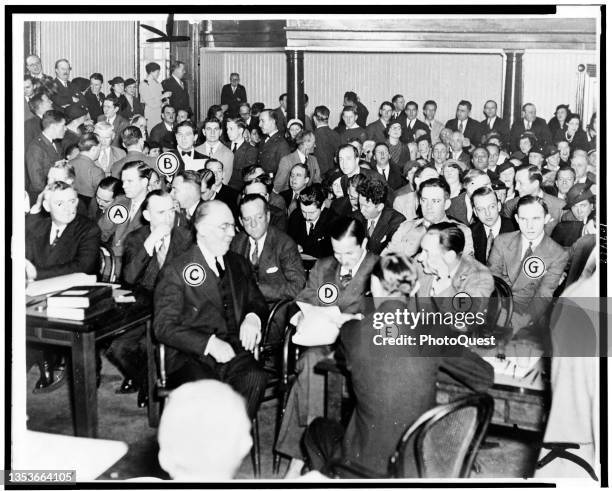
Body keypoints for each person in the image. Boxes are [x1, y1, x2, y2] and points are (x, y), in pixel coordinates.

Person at [276, 216, 378, 477]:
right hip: (323, 343)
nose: (342, 259)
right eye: (336, 252)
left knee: (309, 367)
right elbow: (305, 300)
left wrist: (351, 320)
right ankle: (313, 452)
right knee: (313, 364)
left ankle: (300, 459)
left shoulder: (378, 268)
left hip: (361, 351)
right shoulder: (323, 266)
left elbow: (385, 313)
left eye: (349, 253)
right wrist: (309, 315)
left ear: (364, 243)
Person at [153, 200, 269, 418]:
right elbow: (163, 326)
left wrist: (253, 317)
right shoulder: (177, 270)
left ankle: (227, 445)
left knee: (255, 378)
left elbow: (257, 300)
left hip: (233, 351)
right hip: (190, 356)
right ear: (202, 229)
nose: (232, 233)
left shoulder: (238, 263)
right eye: (223, 227)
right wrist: (208, 344)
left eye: (232, 226)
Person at [108, 190, 193, 404]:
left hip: (177, 305)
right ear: (147, 216)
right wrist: (152, 241)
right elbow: (128, 277)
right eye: (161, 212)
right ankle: (147, 380)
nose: (168, 218)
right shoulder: (136, 239)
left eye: (171, 211)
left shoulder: (186, 238)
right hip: (142, 306)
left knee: (152, 345)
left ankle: (153, 385)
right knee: (117, 349)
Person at [231, 193, 306, 341]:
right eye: (247, 219)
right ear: (240, 221)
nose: (253, 224)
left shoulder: (284, 244)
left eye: (258, 217)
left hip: (274, 311)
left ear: (268, 216)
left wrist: (256, 290)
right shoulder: (236, 242)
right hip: (242, 310)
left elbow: (297, 286)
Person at [488, 195, 569, 332]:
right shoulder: (502, 241)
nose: (529, 226)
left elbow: (543, 295)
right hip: (498, 307)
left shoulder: (558, 254)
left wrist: (520, 321)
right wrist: (500, 313)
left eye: (536, 219)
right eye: (524, 219)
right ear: (517, 219)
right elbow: (493, 281)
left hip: (528, 316)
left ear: (546, 218)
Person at [157, 380, 253, 480]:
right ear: (247, 444)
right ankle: (229, 450)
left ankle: (234, 441)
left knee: (255, 377)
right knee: (201, 395)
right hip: (196, 370)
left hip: (237, 366)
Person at [385, 177, 474, 257]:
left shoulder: (461, 231)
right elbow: (384, 259)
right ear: (420, 201)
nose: (428, 206)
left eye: (435, 201)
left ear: (447, 204)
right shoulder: (406, 227)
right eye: (424, 200)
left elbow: (467, 269)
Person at [98, 161, 150, 274]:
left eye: (129, 181)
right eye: (123, 181)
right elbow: (101, 232)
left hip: (137, 269)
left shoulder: (154, 205)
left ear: (144, 182)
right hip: (111, 265)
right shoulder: (121, 201)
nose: (124, 186)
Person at [416, 222, 494, 298]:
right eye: (422, 250)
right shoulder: (419, 265)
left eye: (427, 252)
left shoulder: (479, 279)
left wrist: (444, 285)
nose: (420, 258)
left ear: (449, 257)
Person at [502, 164, 565, 235]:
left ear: (535, 184)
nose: (516, 187)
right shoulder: (510, 206)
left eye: (520, 183)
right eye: (516, 183)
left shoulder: (560, 206)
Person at [354, 176, 405, 255]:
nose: (361, 210)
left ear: (380, 207)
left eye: (366, 206)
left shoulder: (397, 222)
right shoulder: (354, 218)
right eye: (360, 204)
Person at [25, 109, 66, 205]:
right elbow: (37, 184)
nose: (66, 128)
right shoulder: (36, 148)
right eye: (63, 125)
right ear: (53, 127)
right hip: (44, 198)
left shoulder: (56, 143)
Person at [287, 184, 337, 258]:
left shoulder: (333, 221)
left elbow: (330, 252)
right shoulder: (296, 215)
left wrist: (303, 249)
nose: (307, 217)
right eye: (303, 211)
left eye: (312, 212)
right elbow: (289, 240)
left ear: (322, 206)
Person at [470, 186, 516, 264]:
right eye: (480, 209)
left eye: (491, 207)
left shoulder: (515, 229)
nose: (487, 213)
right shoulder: (470, 233)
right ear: (475, 212)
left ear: (499, 206)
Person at [194, 117, 234, 184]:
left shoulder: (228, 154)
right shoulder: (196, 151)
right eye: (209, 129)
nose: (212, 132)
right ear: (204, 132)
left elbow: (225, 180)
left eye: (216, 129)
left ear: (220, 132)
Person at [69, 133, 105, 206]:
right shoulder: (96, 171)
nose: (101, 150)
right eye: (100, 147)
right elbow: (102, 198)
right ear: (93, 149)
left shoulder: (67, 164)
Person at [227, 118, 258, 191]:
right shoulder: (224, 146)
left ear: (240, 130)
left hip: (239, 190)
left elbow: (247, 176)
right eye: (227, 129)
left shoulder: (251, 150)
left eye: (231, 129)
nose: (228, 132)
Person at [258, 109, 292, 175]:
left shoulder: (281, 144)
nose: (259, 124)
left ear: (273, 121)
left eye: (262, 121)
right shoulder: (263, 140)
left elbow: (284, 172)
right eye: (259, 121)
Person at [140, 62, 170, 132]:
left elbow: (162, 97)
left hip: (160, 113)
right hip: (151, 115)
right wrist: (163, 96)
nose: (159, 74)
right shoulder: (144, 84)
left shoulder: (157, 83)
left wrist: (165, 100)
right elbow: (150, 102)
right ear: (151, 72)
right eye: (157, 72)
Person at [312, 105, 341, 176]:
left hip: (318, 176)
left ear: (314, 118)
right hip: (333, 175)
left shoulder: (312, 136)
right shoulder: (336, 134)